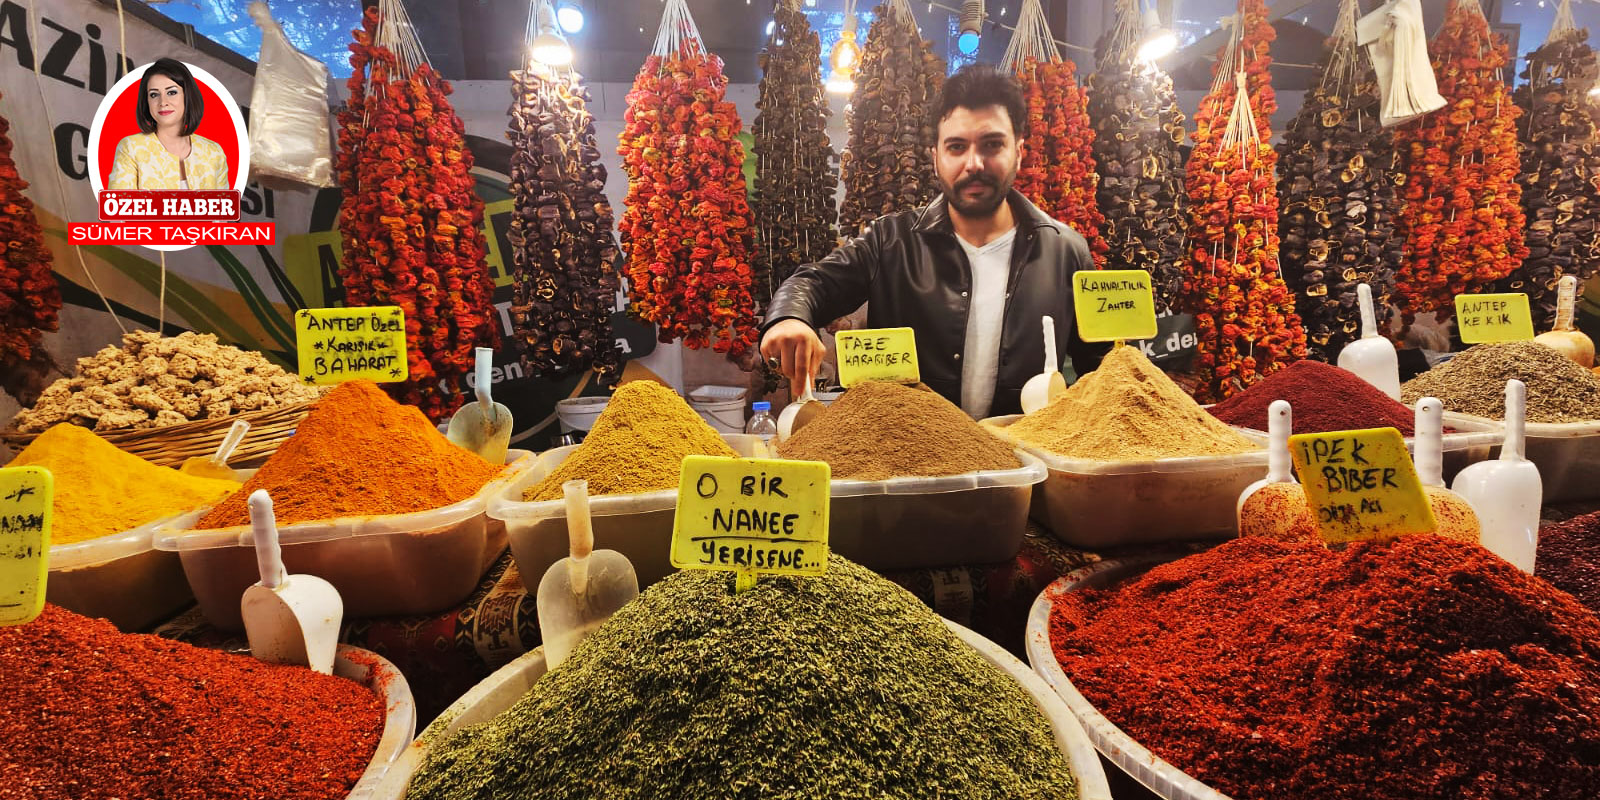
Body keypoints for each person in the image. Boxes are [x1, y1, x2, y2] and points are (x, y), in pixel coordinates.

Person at [761, 64, 1106, 418]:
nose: (974, 163)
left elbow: (1103, 372)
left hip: (1019, 466)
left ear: (1018, 151)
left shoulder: (1066, 252)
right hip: (909, 465)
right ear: (935, 157)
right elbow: (811, 284)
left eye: (992, 145)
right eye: (957, 147)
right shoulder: (890, 241)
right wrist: (790, 318)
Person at [107, 58, 230, 191]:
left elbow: (224, 210)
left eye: (171, 92)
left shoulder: (214, 152)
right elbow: (120, 209)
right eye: (154, 95)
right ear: (146, 101)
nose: (163, 102)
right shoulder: (131, 147)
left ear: (187, 95)